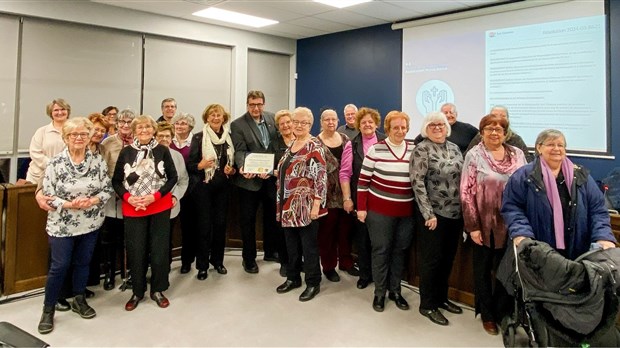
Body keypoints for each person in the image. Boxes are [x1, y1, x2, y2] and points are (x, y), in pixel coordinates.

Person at [37, 117, 112, 334]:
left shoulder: (97, 161)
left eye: (83, 134)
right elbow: (48, 195)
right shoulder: (55, 163)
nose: (78, 138)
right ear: (66, 138)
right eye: (73, 135)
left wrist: (92, 201)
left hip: (90, 222)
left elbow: (106, 190)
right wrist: (70, 204)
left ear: (89, 137)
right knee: (59, 266)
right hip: (62, 224)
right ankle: (48, 309)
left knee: (83, 263)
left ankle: (79, 299)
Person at [502, 129, 616, 260]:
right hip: (537, 252)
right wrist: (522, 234)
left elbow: (598, 210)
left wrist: (603, 236)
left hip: (576, 253)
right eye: (550, 144)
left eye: (560, 145)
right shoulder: (523, 176)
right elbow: (512, 208)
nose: (556, 149)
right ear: (539, 148)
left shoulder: (581, 176)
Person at [460, 114, 527, 335]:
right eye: (489, 129)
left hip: (511, 225)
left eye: (499, 129)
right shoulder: (474, 155)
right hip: (483, 223)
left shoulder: (517, 154)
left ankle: (502, 312)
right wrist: (473, 226)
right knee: (481, 271)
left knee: (506, 271)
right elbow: (466, 192)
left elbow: (525, 185)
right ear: (482, 132)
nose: (494, 132)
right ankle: (487, 315)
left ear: (505, 133)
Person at [112, 115, 178, 311]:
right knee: (136, 250)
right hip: (133, 207)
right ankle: (137, 291)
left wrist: (155, 196)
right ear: (134, 131)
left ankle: (158, 289)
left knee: (159, 251)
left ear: (153, 130)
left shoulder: (163, 150)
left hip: (158, 206)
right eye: (140, 128)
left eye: (148, 127)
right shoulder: (126, 152)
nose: (144, 131)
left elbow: (172, 178)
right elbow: (116, 181)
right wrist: (128, 198)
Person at [409, 111, 464, 326]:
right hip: (433, 216)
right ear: (426, 128)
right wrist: (428, 213)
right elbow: (417, 183)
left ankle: (442, 298)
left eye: (441, 125)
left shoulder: (454, 148)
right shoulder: (422, 149)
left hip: (455, 214)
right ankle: (428, 305)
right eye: (433, 125)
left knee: (447, 258)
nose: (438, 128)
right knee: (431, 261)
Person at [357, 111, 415, 313]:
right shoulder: (376, 149)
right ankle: (380, 293)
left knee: (399, 252)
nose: (400, 131)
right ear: (388, 129)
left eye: (403, 127)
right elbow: (363, 182)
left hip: (405, 213)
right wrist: (362, 208)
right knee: (381, 251)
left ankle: (395, 291)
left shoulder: (414, 149)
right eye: (395, 127)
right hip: (379, 212)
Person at [275, 107, 327, 302]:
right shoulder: (293, 143)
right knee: (292, 245)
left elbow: (321, 180)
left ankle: (313, 282)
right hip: (288, 206)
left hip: (306, 207)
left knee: (309, 247)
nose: (298, 125)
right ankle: (293, 278)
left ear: (310, 125)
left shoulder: (315, 146)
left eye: (302, 123)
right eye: (295, 121)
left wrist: (316, 206)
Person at [230, 90, 283, 273]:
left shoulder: (272, 118)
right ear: (247, 105)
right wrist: (244, 166)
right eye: (252, 104)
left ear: (264, 104)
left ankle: (270, 251)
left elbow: (276, 147)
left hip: (270, 179)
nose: (256, 108)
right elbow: (240, 150)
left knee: (271, 218)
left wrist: (272, 169)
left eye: (259, 104)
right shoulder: (237, 124)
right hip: (249, 182)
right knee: (248, 221)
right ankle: (249, 259)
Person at [187, 104, 236, 279]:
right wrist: (200, 166)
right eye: (212, 115)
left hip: (223, 188)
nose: (216, 118)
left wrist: (233, 169)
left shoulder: (229, 137)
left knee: (220, 225)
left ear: (224, 118)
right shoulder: (199, 138)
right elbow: (190, 165)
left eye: (219, 115)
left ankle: (218, 261)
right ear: (206, 118)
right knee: (204, 227)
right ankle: (202, 265)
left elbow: (234, 162)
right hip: (203, 188)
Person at [339, 107, 385, 289]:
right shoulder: (352, 144)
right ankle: (365, 275)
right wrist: (347, 198)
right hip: (360, 200)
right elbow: (344, 173)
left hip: (382, 198)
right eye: (363, 122)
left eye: (370, 122)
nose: (367, 125)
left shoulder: (385, 141)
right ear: (359, 124)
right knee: (363, 239)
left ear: (376, 124)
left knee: (381, 240)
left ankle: (380, 275)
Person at [316, 109, 355, 282]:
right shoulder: (315, 143)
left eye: (333, 119)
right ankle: (329, 266)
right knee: (327, 232)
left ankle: (346, 262)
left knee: (345, 230)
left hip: (345, 194)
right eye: (327, 119)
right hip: (326, 196)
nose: (331, 122)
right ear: (321, 121)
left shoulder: (345, 139)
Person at [100, 109, 136, 290]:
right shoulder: (108, 143)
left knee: (128, 237)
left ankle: (128, 273)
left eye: (129, 122)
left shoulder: (138, 143)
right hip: (112, 197)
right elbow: (103, 170)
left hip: (133, 199)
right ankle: (109, 274)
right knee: (109, 238)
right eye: (121, 122)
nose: (125, 126)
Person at [155, 122, 189, 267]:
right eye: (160, 135)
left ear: (172, 138)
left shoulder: (177, 156)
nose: (164, 139)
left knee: (166, 239)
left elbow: (183, 180)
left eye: (167, 136)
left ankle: (164, 269)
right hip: (151, 205)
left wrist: (175, 196)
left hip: (170, 205)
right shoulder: (147, 154)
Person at [169, 112, 198, 274]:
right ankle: (166, 260)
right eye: (177, 123)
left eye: (183, 124)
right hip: (170, 191)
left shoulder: (196, 141)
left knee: (189, 227)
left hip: (190, 191)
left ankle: (187, 260)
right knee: (168, 228)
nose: (179, 126)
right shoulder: (167, 141)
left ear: (190, 126)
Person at [272, 109, 295, 277]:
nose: (286, 126)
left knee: (298, 228)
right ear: (278, 127)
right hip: (280, 193)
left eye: (288, 122)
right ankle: (285, 262)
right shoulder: (273, 143)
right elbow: (268, 165)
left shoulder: (303, 141)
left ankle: (297, 260)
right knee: (281, 228)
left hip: (298, 194)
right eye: (282, 124)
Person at [26, 98, 71, 185]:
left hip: (65, 178)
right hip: (38, 178)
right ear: (51, 113)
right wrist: (53, 165)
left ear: (68, 111)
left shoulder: (75, 131)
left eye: (63, 109)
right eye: (56, 110)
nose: (60, 112)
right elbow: (35, 153)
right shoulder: (41, 131)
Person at [464, 105, 532, 162]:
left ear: (508, 120)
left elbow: (527, 162)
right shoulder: (480, 137)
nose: (498, 118)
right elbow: (466, 159)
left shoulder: (516, 139)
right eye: (494, 116)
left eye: (503, 116)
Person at [413, 103, 478, 154]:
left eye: (451, 112)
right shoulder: (434, 129)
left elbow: (480, 137)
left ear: (456, 114)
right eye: (445, 113)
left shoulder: (468, 128)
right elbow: (417, 141)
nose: (449, 115)